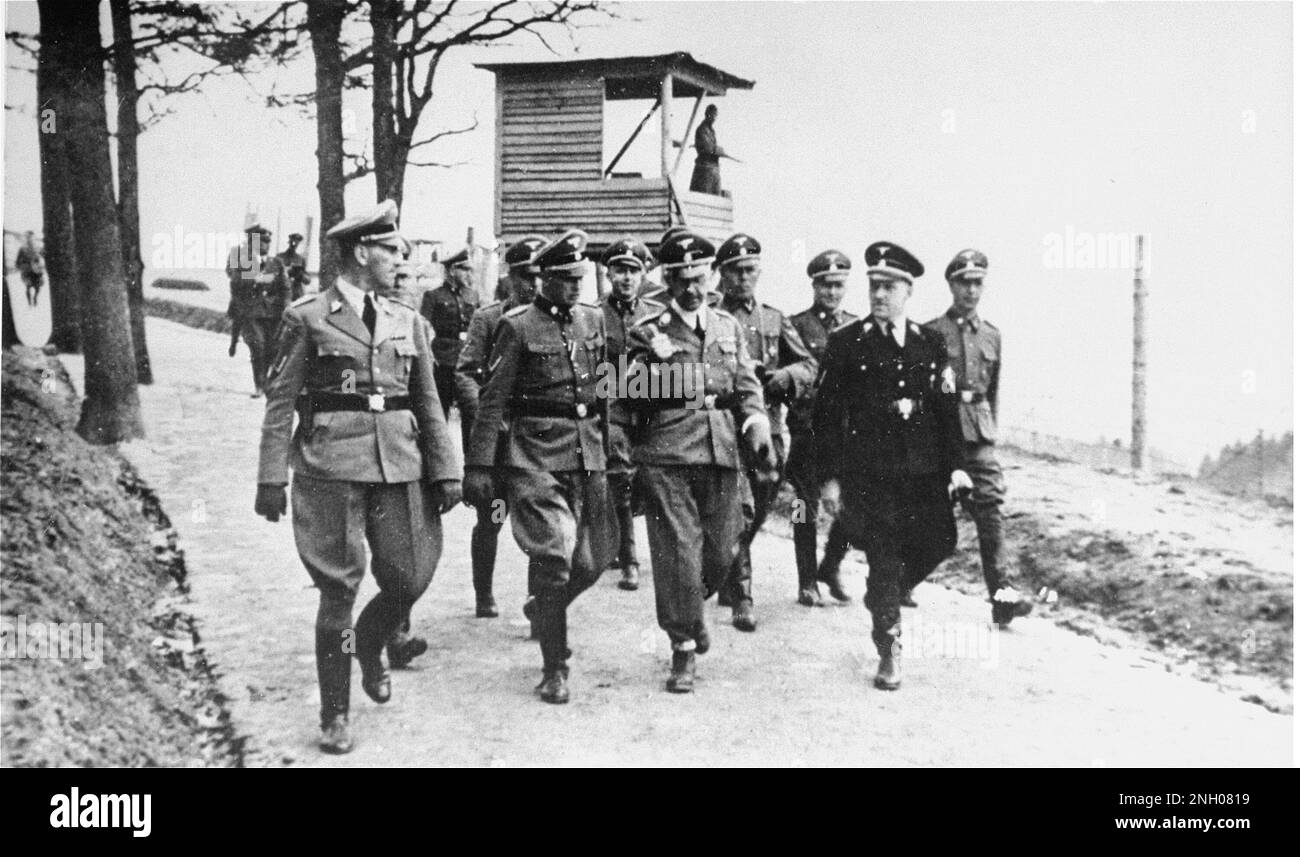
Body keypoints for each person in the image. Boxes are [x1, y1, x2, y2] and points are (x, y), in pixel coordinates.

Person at [254, 199, 462, 753]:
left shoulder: (407, 321)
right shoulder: (307, 316)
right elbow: (281, 402)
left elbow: (429, 401)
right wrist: (270, 477)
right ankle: (336, 713)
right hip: (331, 465)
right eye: (392, 249)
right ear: (360, 251)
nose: (402, 259)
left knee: (410, 575)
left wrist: (447, 470)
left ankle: (369, 646)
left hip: (400, 463)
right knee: (338, 589)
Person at [463, 229, 615, 704]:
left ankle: (543, 607)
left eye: (580, 278)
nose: (574, 287)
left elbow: (603, 393)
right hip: (533, 455)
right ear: (544, 279)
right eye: (565, 279)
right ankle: (555, 666)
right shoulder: (516, 325)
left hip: (585, 455)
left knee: (591, 563)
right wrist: (480, 465)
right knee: (553, 556)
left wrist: (612, 452)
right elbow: (492, 400)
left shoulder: (593, 321)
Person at [814, 241, 970, 691]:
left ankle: (885, 592)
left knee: (942, 539)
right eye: (874, 286)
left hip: (923, 474)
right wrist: (829, 479)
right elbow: (826, 416)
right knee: (884, 554)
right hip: (870, 475)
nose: (879, 295)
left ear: (908, 291)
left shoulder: (930, 342)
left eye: (889, 287)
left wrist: (957, 468)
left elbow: (946, 412)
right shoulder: (848, 343)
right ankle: (889, 645)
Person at [624, 227, 773, 692]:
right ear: (668, 281)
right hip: (667, 451)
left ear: (711, 277)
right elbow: (627, 393)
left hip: (721, 448)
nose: (692, 288)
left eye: (699, 278)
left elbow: (747, 384)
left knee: (724, 547)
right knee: (677, 553)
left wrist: (758, 423)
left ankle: (691, 608)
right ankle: (683, 647)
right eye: (681, 279)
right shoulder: (648, 332)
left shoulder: (728, 327)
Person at [924, 249, 1034, 627]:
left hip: (980, 434)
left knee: (990, 510)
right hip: (940, 434)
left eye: (977, 283)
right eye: (964, 282)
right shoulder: (931, 333)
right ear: (951, 285)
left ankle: (1002, 596)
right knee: (927, 512)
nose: (971, 290)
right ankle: (902, 578)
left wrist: (990, 433)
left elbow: (994, 392)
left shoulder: (992, 336)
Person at [715, 233, 816, 631]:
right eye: (736, 271)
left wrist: (783, 378)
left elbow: (808, 365)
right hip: (727, 426)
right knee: (737, 506)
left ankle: (726, 564)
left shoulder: (773, 319)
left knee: (763, 499)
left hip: (769, 428)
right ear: (722, 275)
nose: (743, 279)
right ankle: (743, 596)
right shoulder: (714, 318)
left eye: (750, 270)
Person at [453, 234, 546, 620]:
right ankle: (484, 593)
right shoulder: (489, 318)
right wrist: (490, 417)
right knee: (492, 516)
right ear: (510, 277)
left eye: (541, 277)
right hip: (496, 444)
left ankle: (538, 601)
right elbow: (464, 373)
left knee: (541, 524)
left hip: (537, 442)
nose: (534, 286)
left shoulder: (553, 322)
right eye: (526, 277)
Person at [787, 250, 857, 606]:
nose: (831, 292)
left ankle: (830, 565)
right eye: (825, 285)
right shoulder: (797, 326)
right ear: (814, 285)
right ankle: (806, 581)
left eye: (838, 285)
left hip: (845, 434)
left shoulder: (857, 327)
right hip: (808, 432)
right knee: (804, 508)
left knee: (851, 507)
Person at [599, 237, 665, 592]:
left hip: (652, 408)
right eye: (620, 270)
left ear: (644, 274)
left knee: (656, 481)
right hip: (615, 408)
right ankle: (629, 559)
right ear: (608, 273)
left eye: (633, 271)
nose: (626, 278)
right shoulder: (594, 315)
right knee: (620, 478)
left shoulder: (656, 315)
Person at [420, 247, 481, 446]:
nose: (469, 274)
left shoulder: (473, 296)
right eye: (464, 269)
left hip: (468, 363)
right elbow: (424, 327)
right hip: (443, 361)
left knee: (472, 413)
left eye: (471, 270)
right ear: (452, 271)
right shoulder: (433, 296)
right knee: (439, 414)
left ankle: (471, 464)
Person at [226, 225, 287, 396]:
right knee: (257, 347)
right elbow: (235, 279)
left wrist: (286, 306)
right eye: (262, 241)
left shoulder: (276, 262)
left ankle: (266, 380)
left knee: (273, 348)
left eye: (268, 241)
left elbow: (285, 286)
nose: (266, 245)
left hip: (272, 313)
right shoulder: (241, 257)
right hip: (250, 311)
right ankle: (259, 385)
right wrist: (261, 278)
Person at [690, 104, 725, 195]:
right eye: (713, 115)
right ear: (708, 114)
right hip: (705, 169)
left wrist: (717, 150)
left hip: (713, 168)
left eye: (715, 115)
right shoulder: (702, 129)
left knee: (716, 196)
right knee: (705, 195)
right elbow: (707, 148)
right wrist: (717, 150)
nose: (714, 118)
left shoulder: (711, 131)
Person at [277, 232, 312, 301]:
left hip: (297, 293)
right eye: (293, 242)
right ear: (289, 242)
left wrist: (300, 275)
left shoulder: (301, 259)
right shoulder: (280, 257)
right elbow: (275, 275)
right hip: (283, 293)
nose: (294, 245)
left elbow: (307, 281)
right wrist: (286, 271)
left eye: (297, 243)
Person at [15, 231, 45, 307]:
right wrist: (25, 266)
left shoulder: (38, 248)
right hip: (27, 272)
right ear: (26, 239)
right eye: (28, 238)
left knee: (38, 288)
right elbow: (17, 263)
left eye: (32, 238)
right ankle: (29, 303)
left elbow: (42, 258)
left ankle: (35, 297)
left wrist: (40, 264)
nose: (30, 240)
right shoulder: (22, 249)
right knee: (28, 287)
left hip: (37, 272)